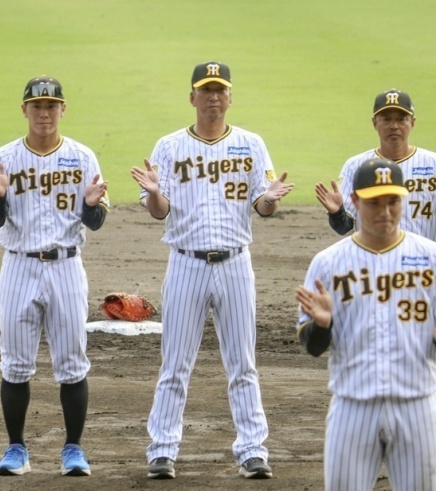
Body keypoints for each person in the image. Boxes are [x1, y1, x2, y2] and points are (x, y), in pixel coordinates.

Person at [131, 60, 294, 480]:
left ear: (230, 96)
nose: (214, 97)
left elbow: (263, 206)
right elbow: (159, 212)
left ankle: (253, 450)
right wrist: (153, 194)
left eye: (220, 90)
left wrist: (271, 199)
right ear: (192, 98)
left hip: (236, 264)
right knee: (175, 364)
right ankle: (162, 450)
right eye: (206, 90)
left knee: (243, 362)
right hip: (185, 263)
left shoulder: (251, 144)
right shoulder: (169, 147)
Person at [296, 158, 436, 491]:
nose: (386, 211)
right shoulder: (328, 263)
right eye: (375, 202)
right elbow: (312, 345)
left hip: (417, 406)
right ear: (356, 201)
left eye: (393, 201)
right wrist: (324, 324)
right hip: (352, 407)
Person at [0, 75, 109, 477]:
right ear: (24, 110)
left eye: (52, 105)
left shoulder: (83, 157)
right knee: (15, 363)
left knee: (72, 362)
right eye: (37, 106)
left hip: (67, 266)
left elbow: (97, 220)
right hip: (18, 264)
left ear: (63, 109)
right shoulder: (4, 157)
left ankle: (73, 449)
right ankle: (16, 449)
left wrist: (90, 205)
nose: (44, 113)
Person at [315, 89, 436, 241]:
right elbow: (344, 227)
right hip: (374, 261)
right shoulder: (356, 166)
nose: (394, 126)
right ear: (374, 122)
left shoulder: (434, 163)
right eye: (386, 119)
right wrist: (337, 213)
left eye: (401, 119)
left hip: (420, 261)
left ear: (412, 122)